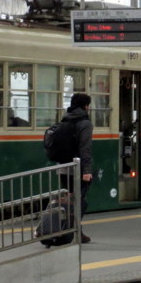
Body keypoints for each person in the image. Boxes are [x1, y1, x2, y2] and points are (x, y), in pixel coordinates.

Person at [58, 92, 94, 243]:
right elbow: (85, 148)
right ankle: (72, 232)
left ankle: (73, 231)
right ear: (86, 106)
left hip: (63, 168)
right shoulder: (85, 123)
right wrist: (86, 171)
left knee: (71, 200)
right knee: (79, 201)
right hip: (77, 169)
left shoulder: (64, 119)